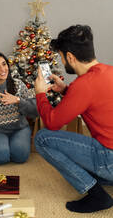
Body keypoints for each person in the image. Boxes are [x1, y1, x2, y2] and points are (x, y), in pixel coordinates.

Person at [34, 25, 113, 213]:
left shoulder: (83, 85)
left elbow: (52, 123)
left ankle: (97, 195)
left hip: (109, 158)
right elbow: (96, 101)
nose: (62, 61)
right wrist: (66, 90)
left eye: (61, 57)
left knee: (42, 138)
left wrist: (40, 95)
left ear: (70, 57)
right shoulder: (108, 71)